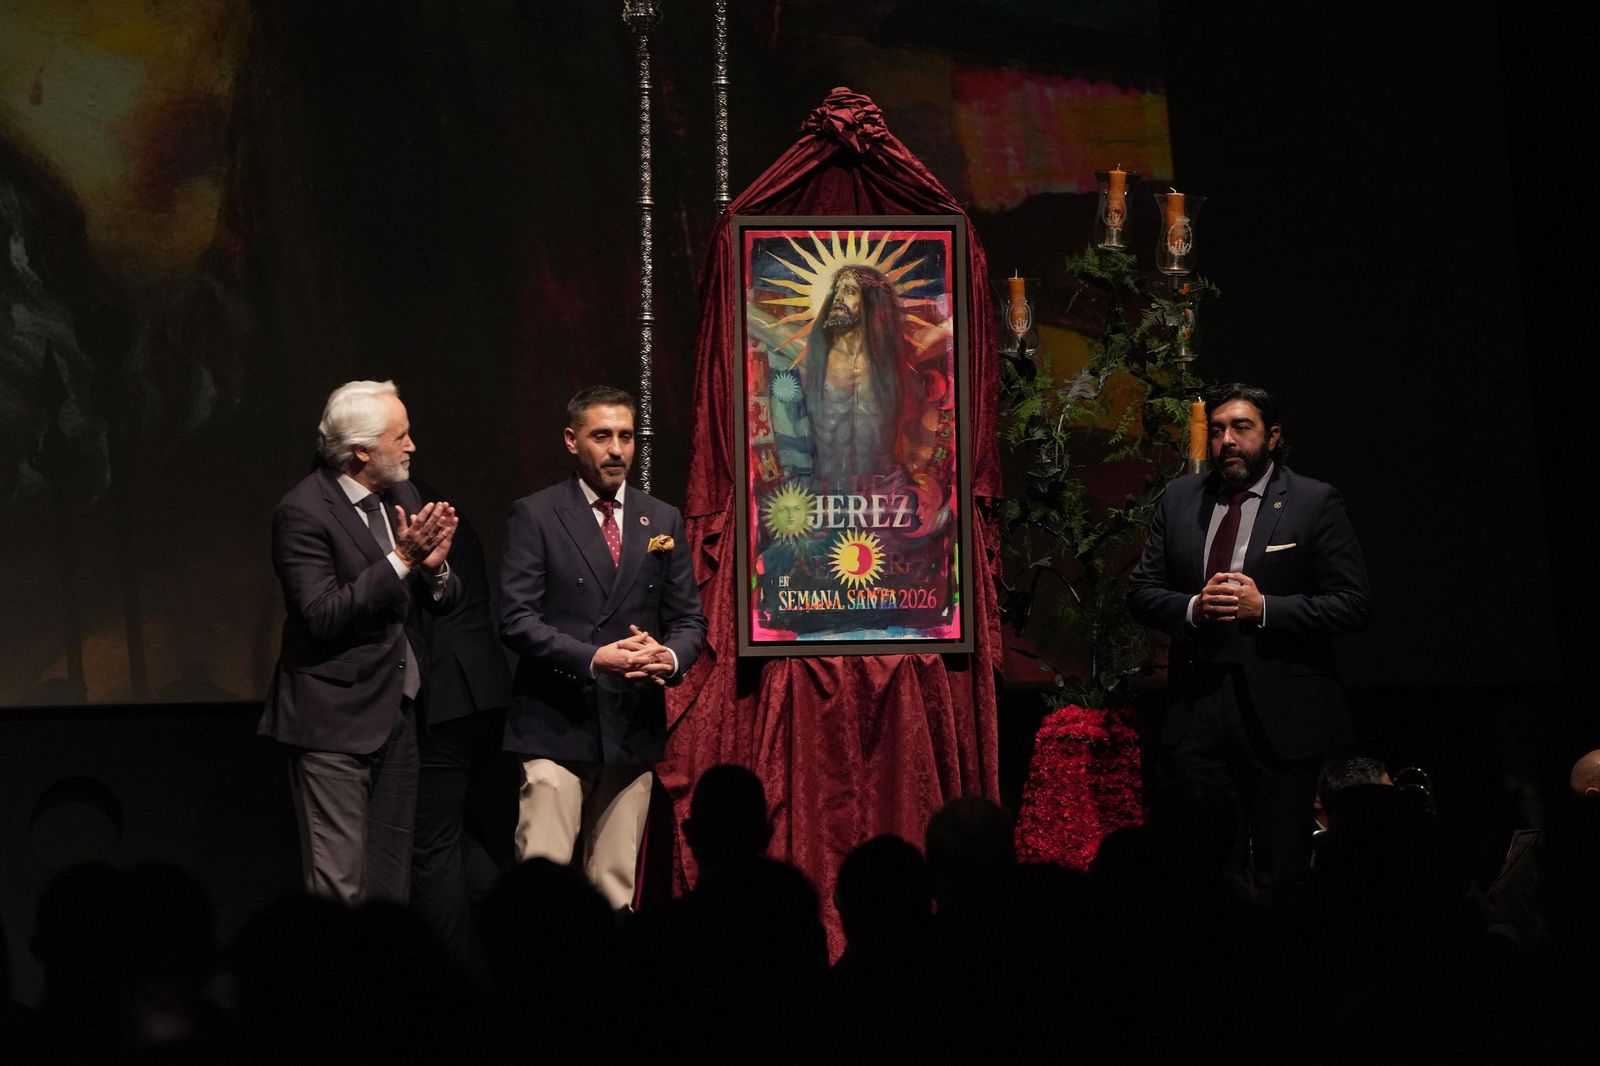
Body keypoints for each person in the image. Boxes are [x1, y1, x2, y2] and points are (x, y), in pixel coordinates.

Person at [1129, 382, 1370, 894]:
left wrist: (1266, 610)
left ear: (1273, 436)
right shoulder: (1181, 499)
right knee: (1204, 867)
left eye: (1241, 428)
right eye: (1217, 431)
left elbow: (1352, 604)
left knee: (1283, 867)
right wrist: (1193, 608)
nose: (1228, 441)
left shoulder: (1313, 501)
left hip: (1280, 712)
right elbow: (1142, 593)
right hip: (1196, 707)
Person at [499, 385, 706, 908]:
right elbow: (516, 620)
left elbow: (688, 620)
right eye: (602, 436)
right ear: (572, 440)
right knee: (542, 889)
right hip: (555, 724)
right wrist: (593, 657)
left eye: (626, 437)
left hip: (630, 727)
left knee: (615, 888)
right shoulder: (537, 514)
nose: (616, 450)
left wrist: (669, 657)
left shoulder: (661, 518)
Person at [259, 379, 459, 903]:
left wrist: (434, 571)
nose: (411, 446)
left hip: (398, 712)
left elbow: (433, 598)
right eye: (400, 437)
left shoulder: (403, 495)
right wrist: (403, 560)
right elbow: (322, 615)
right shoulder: (303, 511)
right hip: (334, 720)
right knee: (339, 888)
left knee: (390, 890)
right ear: (361, 451)